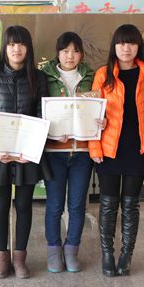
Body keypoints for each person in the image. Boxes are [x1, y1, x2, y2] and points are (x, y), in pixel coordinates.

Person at [89, 24, 144, 277]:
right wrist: (94, 147)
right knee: (108, 204)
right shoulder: (103, 74)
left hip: (136, 149)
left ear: (138, 46)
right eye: (120, 43)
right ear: (114, 46)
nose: (125, 48)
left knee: (131, 205)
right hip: (109, 148)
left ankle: (126, 255)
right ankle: (107, 254)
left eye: (131, 43)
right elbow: (92, 113)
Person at [0, 25, 49, 279]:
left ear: (28, 48)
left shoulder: (38, 78)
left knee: (23, 204)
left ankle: (20, 258)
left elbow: (42, 115)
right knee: (0, 205)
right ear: (5, 48)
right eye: (11, 44)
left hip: (26, 155)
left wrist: (31, 150)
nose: (16, 49)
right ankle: (2, 257)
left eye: (20, 44)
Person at [40, 32, 95, 273]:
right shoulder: (45, 77)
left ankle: (72, 249)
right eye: (65, 51)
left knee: (77, 205)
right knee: (54, 205)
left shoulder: (92, 76)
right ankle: (53, 250)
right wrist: (50, 133)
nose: (70, 56)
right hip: (55, 152)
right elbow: (38, 110)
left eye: (75, 51)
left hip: (82, 151)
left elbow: (100, 106)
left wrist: (101, 120)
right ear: (58, 53)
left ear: (81, 54)